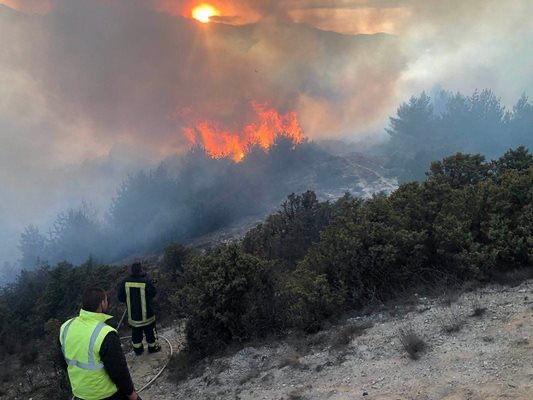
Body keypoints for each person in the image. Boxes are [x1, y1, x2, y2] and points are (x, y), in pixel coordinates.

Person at [59, 287, 141, 400]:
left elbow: (63, 361)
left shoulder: (66, 327)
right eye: (106, 300)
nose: (107, 303)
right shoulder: (106, 334)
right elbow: (118, 371)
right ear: (102, 304)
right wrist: (131, 394)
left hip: (80, 394)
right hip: (105, 394)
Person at [118, 262, 161, 355]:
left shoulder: (125, 282)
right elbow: (153, 293)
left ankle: (138, 350)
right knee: (150, 332)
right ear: (141, 269)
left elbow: (120, 297)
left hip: (133, 316)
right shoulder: (146, 281)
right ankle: (153, 347)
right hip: (147, 315)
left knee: (136, 334)